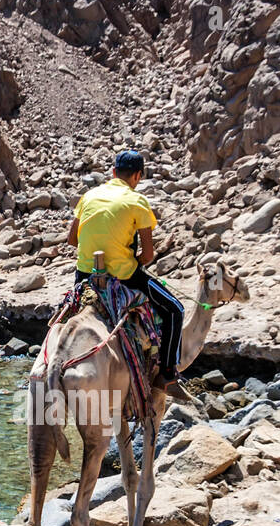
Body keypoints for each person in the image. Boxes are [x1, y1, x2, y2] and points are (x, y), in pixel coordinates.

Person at [67, 150, 189, 398]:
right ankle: (167, 373)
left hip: (85, 276)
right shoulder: (137, 201)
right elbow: (147, 255)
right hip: (123, 276)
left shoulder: (89, 196)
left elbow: (72, 240)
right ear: (137, 176)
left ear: (113, 173)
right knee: (176, 309)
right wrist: (127, 257)